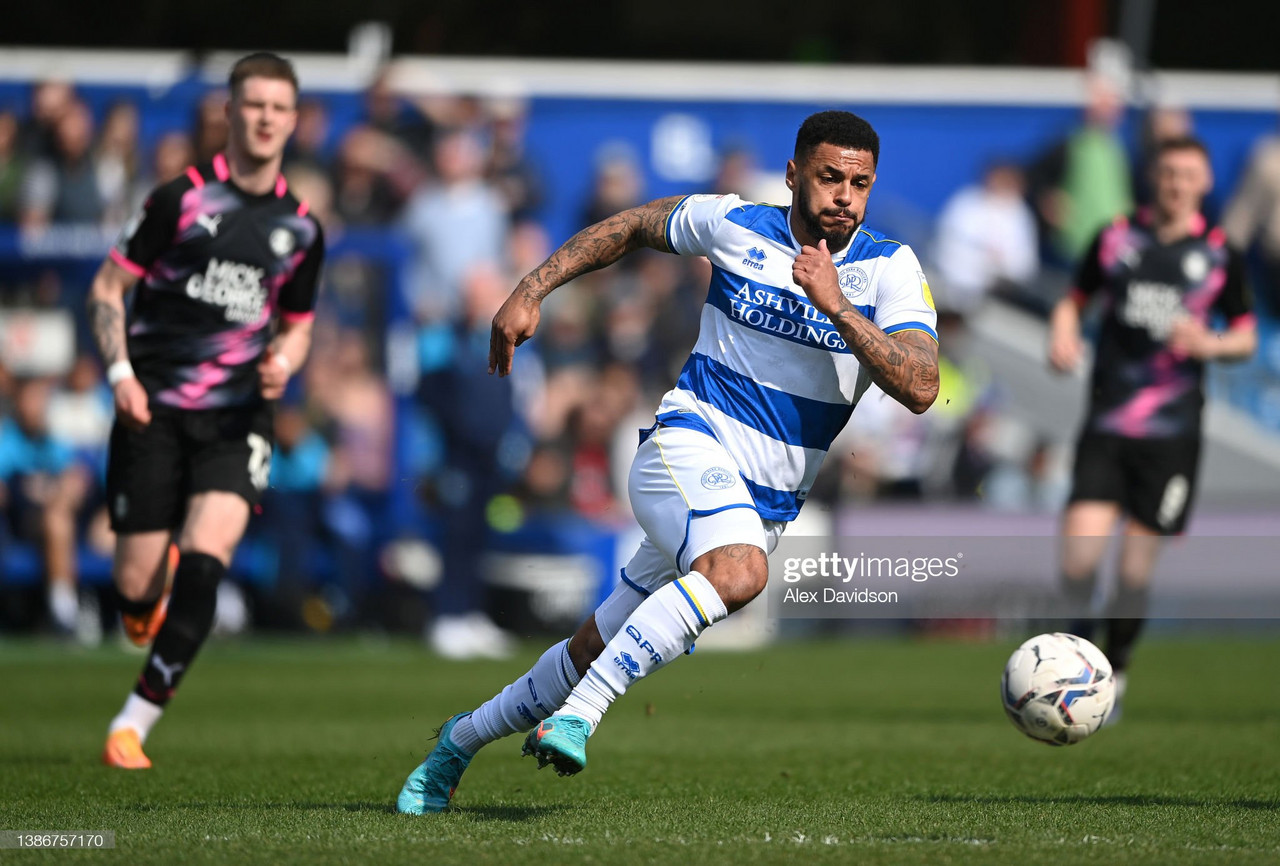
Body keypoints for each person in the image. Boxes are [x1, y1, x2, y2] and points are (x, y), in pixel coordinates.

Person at [397, 110, 940, 814]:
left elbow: (924, 387)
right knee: (742, 572)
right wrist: (531, 289)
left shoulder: (890, 268)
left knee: (595, 644)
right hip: (685, 446)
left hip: (760, 503)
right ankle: (579, 716)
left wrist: (836, 305)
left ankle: (455, 745)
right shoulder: (735, 224)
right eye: (829, 177)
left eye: (859, 183)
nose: (844, 195)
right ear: (793, 175)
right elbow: (630, 225)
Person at [88, 52, 325, 769]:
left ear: (293, 119)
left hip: (235, 419)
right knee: (136, 591)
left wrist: (284, 361)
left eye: (278, 108)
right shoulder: (177, 202)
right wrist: (120, 372)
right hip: (149, 411)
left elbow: (299, 322)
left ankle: (131, 725)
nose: (264, 119)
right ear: (229, 112)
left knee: (205, 563)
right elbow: (106, 290)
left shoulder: (302, 228)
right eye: (252, 104)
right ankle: (142, 601)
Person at [1047, 136, 1256, 715]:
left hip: (1172, 436)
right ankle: (1082, 661)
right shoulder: (1115, 237)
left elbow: (1245, 333)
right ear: (1152, 177)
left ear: (1205, 182)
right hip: (1108, 424)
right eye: (1167, 173)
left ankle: (1118, 668)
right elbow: (1074, 298)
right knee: (1077, 564)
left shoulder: (1218, 253)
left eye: (1187, 174)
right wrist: (1063, 331)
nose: (1176, 183)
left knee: (1133, 572)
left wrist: (1207, 343)